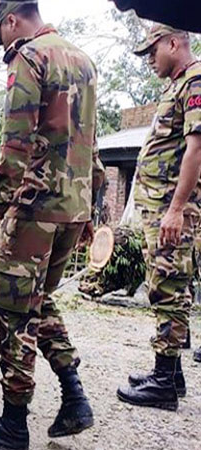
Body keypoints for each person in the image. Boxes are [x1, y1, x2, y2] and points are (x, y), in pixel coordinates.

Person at [0, 2, 105, 448]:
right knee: (39, 302)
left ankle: (13, 425)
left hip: (35, 209)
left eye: (0, 35)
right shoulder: (83, 59)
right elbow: (91, 141)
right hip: (74, 206)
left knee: (12, 311)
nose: (1, 45)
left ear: (11, 21)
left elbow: (16, 143)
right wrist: (91, 205)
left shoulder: (30, 57)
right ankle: (75, 398)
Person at [116, 24, 201, 411]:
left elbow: (197, 149)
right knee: (161, 283)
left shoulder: (196, 79)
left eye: (153, 50)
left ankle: (164, 383)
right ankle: (173, 374)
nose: (149, 59)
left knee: (169, 287)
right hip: (160, 206)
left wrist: (177, 208)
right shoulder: (176, 85)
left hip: (172, 207)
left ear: (174, 42)